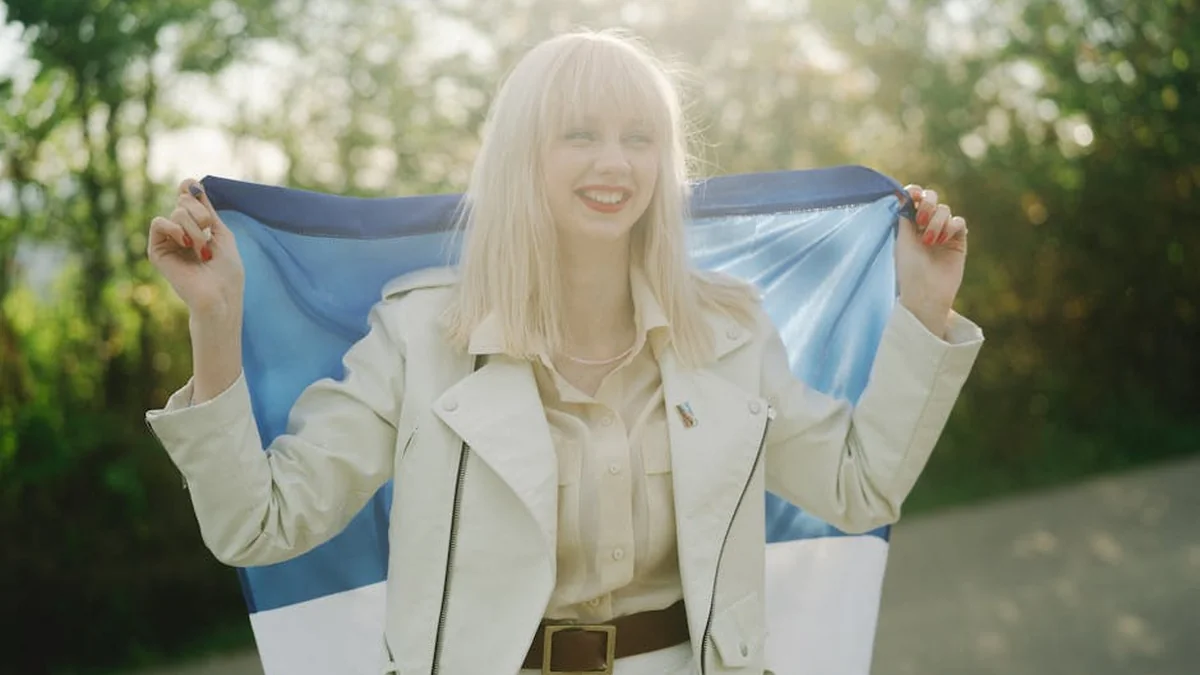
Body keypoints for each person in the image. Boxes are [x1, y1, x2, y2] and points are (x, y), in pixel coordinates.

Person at [145, 29, 983, 675]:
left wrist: (924, 305)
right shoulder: (418, 334)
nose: (614, 162)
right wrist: (215, 318)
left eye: (639, 137)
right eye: (579, 134)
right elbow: (259, 524)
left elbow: (858, 485)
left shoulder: (727, 333)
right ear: (523, 156)